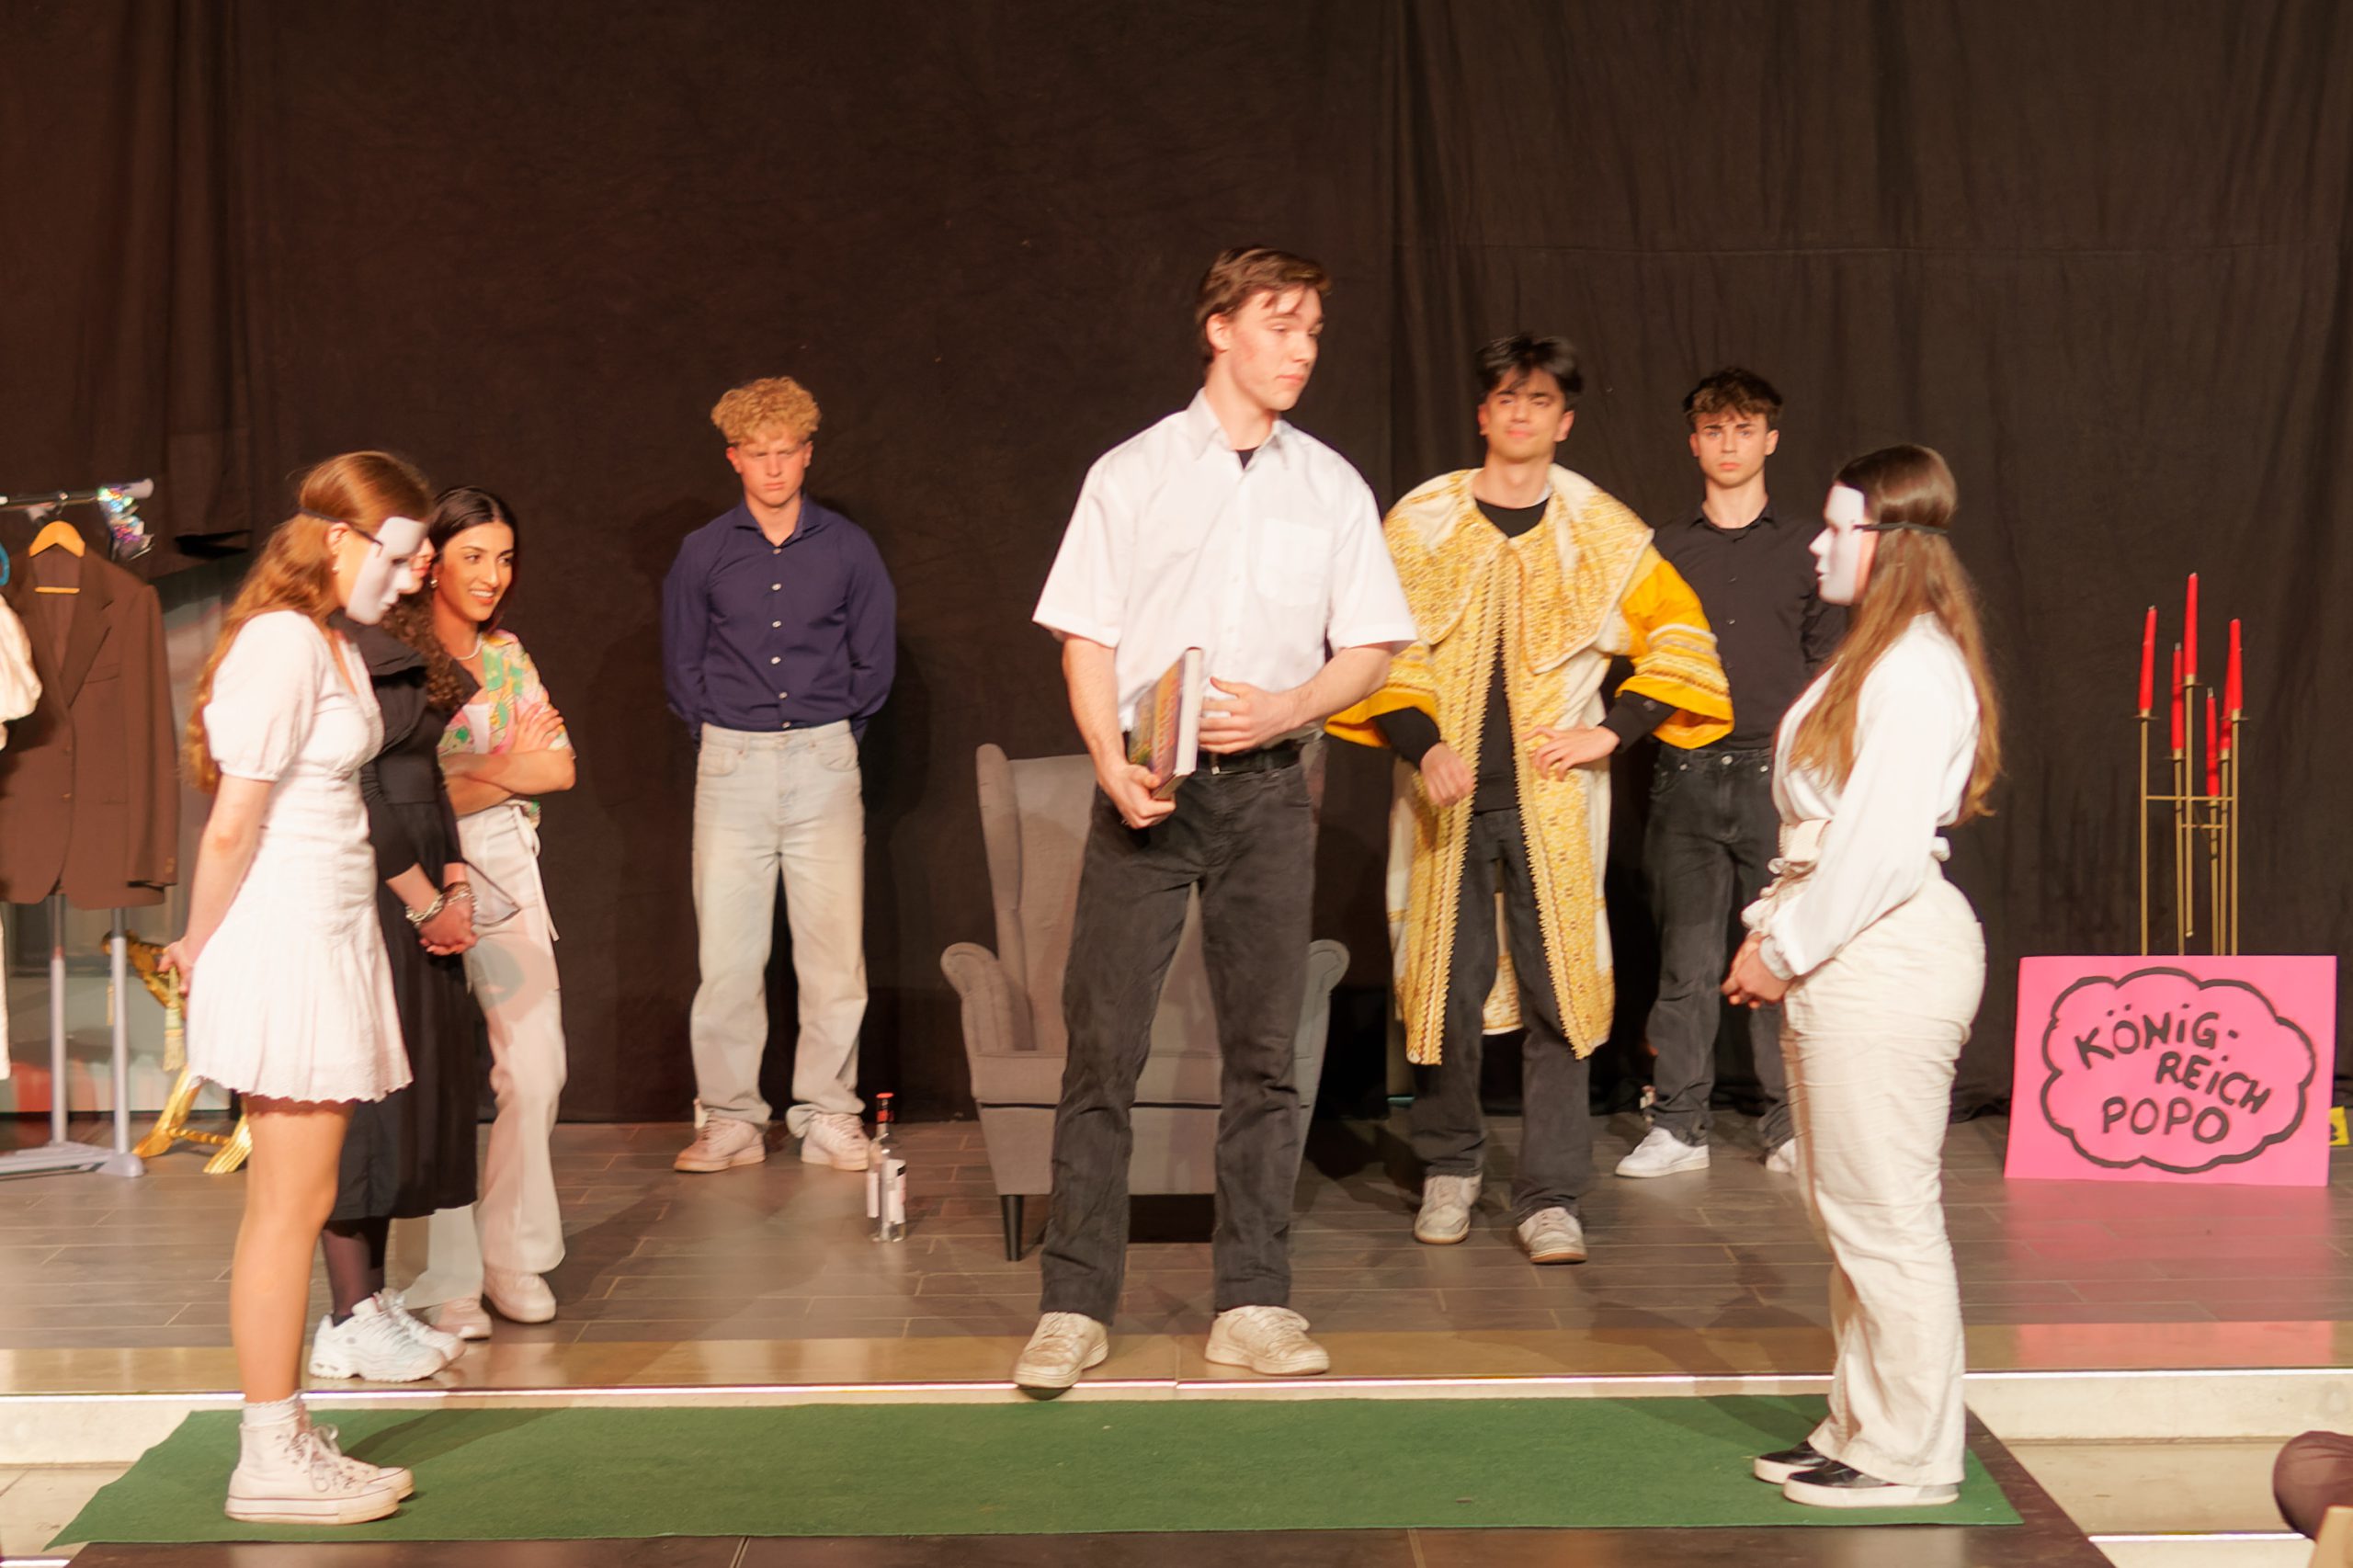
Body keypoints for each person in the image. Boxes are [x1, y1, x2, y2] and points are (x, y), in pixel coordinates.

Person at [1015, 245, 1418, 1392]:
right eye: (1280, 325)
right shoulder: (1133, 472)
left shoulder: (1328, 484)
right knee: (1103, 1049)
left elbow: (1373, 646)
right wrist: (1108, 761)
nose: (1301, 350)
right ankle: (1073, 1304)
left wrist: (1293, 704)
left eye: (1312, 332)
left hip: (1271, 793)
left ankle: (1251, 1299)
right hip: (1149, 789)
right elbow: (1086, 634)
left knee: (1264, 1059)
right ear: (1220, 328)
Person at [1328, 334, 1731, 1265]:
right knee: (1446, 989)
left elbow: (1680, 635)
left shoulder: (1601, 528)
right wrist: (1424, 745)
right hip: (1444, 799)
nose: (1521, 413)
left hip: (1552, 802)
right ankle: (1449, 1166)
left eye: (1539, 399)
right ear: (1484, 413)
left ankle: (1550, 1194)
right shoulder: (1421, 521)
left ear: (1565, 420)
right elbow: (1374, 644)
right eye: (1506, 397)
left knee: (1561, 996)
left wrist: (1613, 729)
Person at [1726, 444, 2001, 1508]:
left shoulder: (1915, 668)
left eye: (1838, 527)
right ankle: (1861, 1422)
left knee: (1883, 1211)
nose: (1816, 543)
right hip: (1847, 943)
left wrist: (1781, 946)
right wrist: (1785, 934)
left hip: (1883, 947)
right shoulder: (1878, 655)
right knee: (1847, 1207)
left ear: (1890, 543)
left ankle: (1912, 1451)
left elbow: (1878, 846)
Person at [165, 475, 426, 1523]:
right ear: (339, 538)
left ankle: (284, 1431)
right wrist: (198, 942)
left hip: (328, 933)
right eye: (396, 556)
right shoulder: (281, 642)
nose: (407, 579)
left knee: (300, 1202)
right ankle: (267, 1452)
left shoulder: (325, 639)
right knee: (287, 1209)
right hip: (286, 941)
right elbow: (233, 822)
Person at [663, 377, 897, 1176]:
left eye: (786, 452)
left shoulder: (847, 548)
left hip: (823, 760)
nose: (773, 467)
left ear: (807, 454)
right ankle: (731, 1118)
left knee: (833, 956)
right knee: (728, 959)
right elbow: (682, 662)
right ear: (734, 458)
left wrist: (833, 733)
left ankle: (830, 1112)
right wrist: (721, 731)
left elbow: (875, 659)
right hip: (732, 762)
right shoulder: (703, 552)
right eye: (758, 453)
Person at [1620, 369, 1844, 1180]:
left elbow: (1827, 667)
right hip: (1683, 770)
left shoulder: (1807, 548)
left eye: (1744, 429)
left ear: (1770, 440)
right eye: (1714, 430)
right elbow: (1641, 658)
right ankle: (1679, 1125)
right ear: (1694, 442)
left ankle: (1788, 1124)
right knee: (1684, 959)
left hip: (1775, 777)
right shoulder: (1662, 549)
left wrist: (1813, 777)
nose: (1729, 444)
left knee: (1781, 946)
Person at [305, 455, 481, 1383]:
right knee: (363, 1107)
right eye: (405, 551)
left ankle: (367, 1303)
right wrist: (423, 899)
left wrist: (455, 879)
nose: (419, 568)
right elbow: (362, 788)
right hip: (373, 887)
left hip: (421, 873)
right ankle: (345, 1311)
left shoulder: (393, 634)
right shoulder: (327, 643)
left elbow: (427, 774)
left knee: (403, 1097)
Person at [405, 488, 576, 1335]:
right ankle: (445, 1278)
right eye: (474, 556)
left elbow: (560, 769)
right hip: (421, 871)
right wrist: (509, 763)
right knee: (438, 1077)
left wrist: (477, 772)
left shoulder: (509, 656)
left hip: (507, 858)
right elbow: (408, 792)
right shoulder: (399, 657)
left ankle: (512, 1254)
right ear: (432, 561)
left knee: (536, 1067)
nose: (492, 575)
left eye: (504, 558)